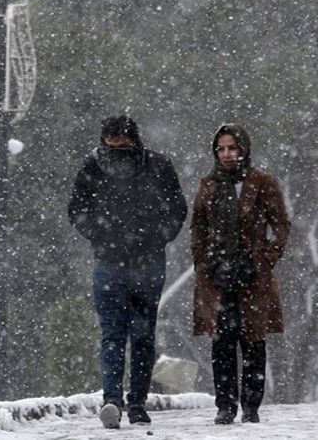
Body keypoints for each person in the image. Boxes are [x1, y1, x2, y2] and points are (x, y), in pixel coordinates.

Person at [68, 115, 187, 429]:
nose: (118, 150)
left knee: (127, 336)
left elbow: (176, 209)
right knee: (127, 336)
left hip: (133, 263)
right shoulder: (102, 167)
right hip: (120, 262)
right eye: (113, 144)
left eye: (122, 144)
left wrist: (147, 236)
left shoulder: (153, 167)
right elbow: (77, 209)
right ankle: (122, 402)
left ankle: (126, 401)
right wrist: (111, 235)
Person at [190, 124, 290, 425]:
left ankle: (251, 406)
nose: (227, 154)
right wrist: (204, 263)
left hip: (253, 275)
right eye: (221, 148)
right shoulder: (208, 184)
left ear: (243, 148)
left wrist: (266, 258)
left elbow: (282, 225)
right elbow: (198, 227)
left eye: (232, 148)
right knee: (221, 343)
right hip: (217, 275)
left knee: (253, 341)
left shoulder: (262, 182)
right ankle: (225, 405)